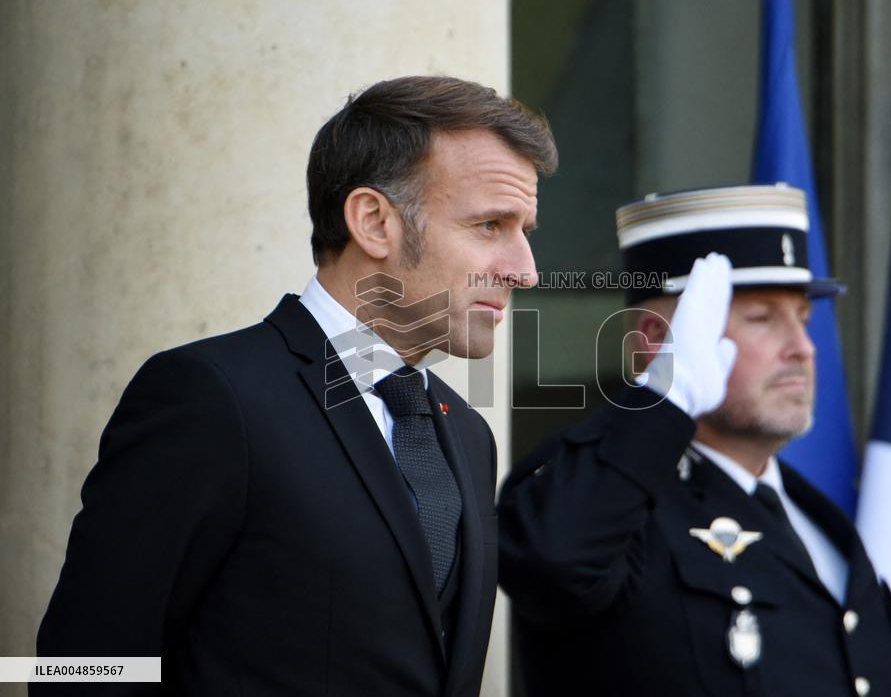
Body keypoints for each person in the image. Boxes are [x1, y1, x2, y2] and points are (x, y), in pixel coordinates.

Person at [35, 75, 557, 696]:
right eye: (490, 226)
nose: (524, 270)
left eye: (525, 230)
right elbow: (80, 667)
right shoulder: (212, 396)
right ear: (373, 221)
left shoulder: (468, 434)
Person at [498, 185, 891, 697]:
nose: (803, 348)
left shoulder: (818, 521)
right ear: (656, 339)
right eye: (762, 318)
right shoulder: (602, 507)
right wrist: (664, 397)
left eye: (805, 319)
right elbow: (550, 560)